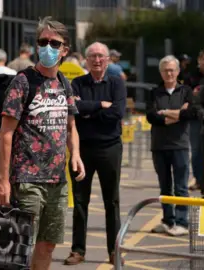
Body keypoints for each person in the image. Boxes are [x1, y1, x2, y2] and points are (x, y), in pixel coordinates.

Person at [0, 16, 85, 270]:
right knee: (20, 244)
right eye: (43, 41)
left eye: (54, 43)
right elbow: (5, 134)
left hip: (57, 181)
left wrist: (76, 153)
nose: (48, 47)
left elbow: (71, 126)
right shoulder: (23, 82)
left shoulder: (64, 84)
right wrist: (3, 181)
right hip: (27, 180)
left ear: (65, 50)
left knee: (47, 245)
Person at [64, 42, 126, 266]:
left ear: (108, 60)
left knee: (112, 201)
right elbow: (75, 110)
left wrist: (89, 111)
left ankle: (114, 250)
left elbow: (118, 113)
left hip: (110, 148)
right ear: (86, 61)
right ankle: (78, 250)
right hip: (83, 149)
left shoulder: (117, 83)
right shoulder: (77, 83)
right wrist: (101, 104)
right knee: (80, 201)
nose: (97, 60)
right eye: (92, 56)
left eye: (101, 56)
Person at [146, 55, 202, 236]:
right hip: (159, 145)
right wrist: (177, 115)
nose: (169, 73)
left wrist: (167, 113)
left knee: (181, 186)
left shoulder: (186, 91)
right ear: (161, 72)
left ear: (178, 72)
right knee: (164, 186)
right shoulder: (154, 92)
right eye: (165, 70)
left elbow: (193, 113)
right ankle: (167, 220)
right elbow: (151, 116)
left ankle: (182, 222)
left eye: (172, 70)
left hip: (180, 145)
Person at [184, 48, 204, 194]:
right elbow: (184, 96)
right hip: (195, 119)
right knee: (196, 151)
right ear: (199, 61)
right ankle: (198, 179)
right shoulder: (190, 78)